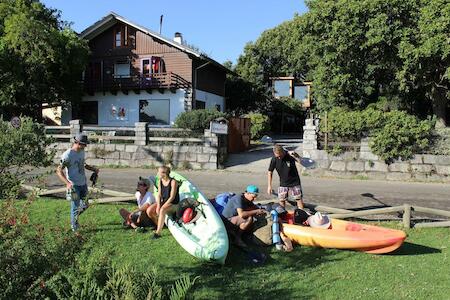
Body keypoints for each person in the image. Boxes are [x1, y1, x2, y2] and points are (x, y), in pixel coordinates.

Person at [56, 133, 99, 231]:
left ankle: (74, 218)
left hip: (83, 184)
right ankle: (74, 227)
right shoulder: (68, 155)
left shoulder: (81, 151)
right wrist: (67, 183)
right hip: (74, 186)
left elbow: (83, 164)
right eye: (84, 144)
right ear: (78, 143)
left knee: (86, 204)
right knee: (75, 206)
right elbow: (58, 170)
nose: (86, 146)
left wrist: (93, 169)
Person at [267, 144, 304, 209]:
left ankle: (302, 214)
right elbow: (270, 172)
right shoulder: (274, 159)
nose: (278, 158)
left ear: (282, 152)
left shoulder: (290, 155)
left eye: (280, 156)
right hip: (283, 183)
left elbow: (301, 161)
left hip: (294, 182)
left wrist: (296, 155)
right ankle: (283, 214)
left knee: (298, 199)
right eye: (277, 156)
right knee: (282, 200)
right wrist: (269, 186)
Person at [152, 166, 180, 239]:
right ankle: (160, 224)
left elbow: (172, 197)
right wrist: (158, 205)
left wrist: (163, 206)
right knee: (150, 210)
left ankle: (158, 233)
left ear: (164, 173)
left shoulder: (173, 182)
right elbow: (159, 195)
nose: (157, 173)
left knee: (162, 210)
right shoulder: (161, 180)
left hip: (174, 204)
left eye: (159, 172)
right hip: (164, 202)